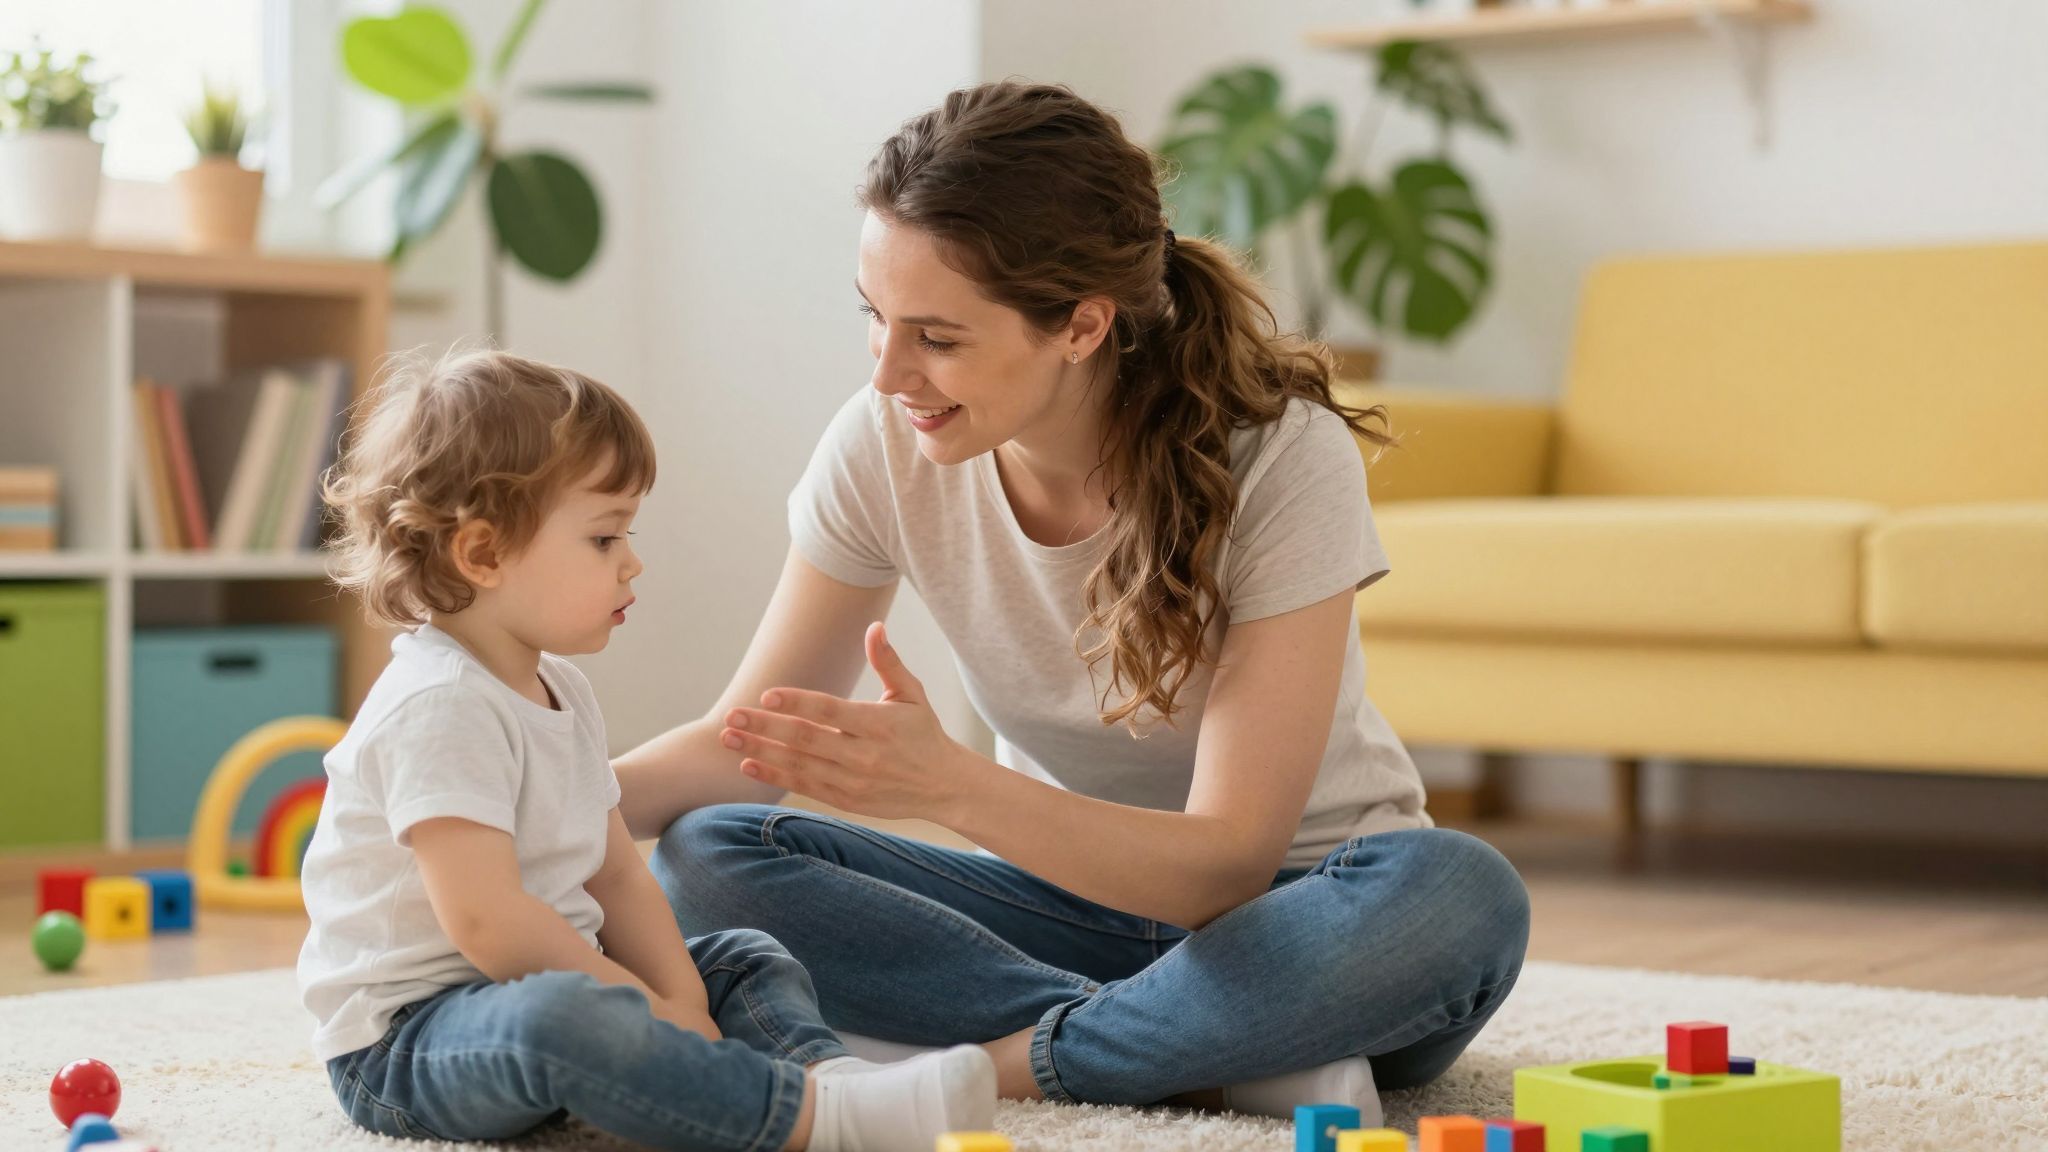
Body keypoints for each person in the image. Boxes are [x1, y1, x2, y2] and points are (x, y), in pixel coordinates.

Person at [617, 81, 1531, 1120]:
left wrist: (947, 785)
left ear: (1083, 326)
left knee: (1461, 897)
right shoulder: (882, 446)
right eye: (875, 318)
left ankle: (1013, 1060)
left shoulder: (1281, 455)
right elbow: (743, 742)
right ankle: (1209, 1054)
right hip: (1064, 914)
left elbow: (1227, 865)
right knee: (711, 854)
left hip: (1304, 913)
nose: (888, 375)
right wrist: (519, 806)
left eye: (937, 338)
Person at [297, 349, 996, 1151]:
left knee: (742, 959)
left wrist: (681, 1000)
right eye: (603, 538)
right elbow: (490, 923)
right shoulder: (438, 705)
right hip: (408, 1044)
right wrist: (643, 1007)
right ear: (482, 554)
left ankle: (825, 1078)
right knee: (568, 1016)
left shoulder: (560, 688)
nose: (632, 561)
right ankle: (821, 1125)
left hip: (548, 989)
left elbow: (617, 872)